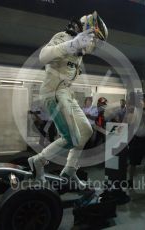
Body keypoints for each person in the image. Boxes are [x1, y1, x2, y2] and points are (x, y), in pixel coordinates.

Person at [28, 11, 108, 185]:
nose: (93, 42)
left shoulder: (80, 51)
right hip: (53, 92)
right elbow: (43, 56)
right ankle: (38, 161)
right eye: (94, 36)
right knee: (71, 138)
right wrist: (72, 44)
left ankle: (70, 170)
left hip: (65, 93)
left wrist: (77, 46)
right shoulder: (63, 37)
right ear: (86, 29)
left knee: (86, 130)